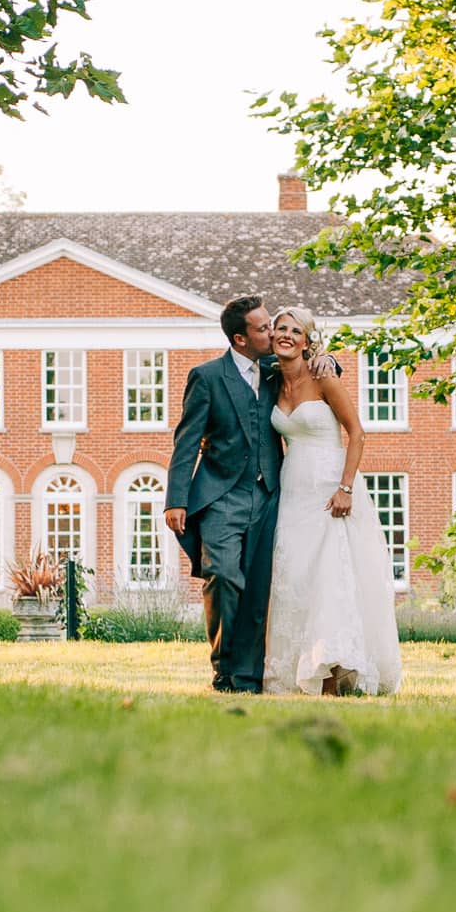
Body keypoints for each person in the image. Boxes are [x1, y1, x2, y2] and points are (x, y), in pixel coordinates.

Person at [260, 307, 403, 696]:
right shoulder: (271, 379)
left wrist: (346, 488)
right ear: (272, 336)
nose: (286, 335)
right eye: (280, 329)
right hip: (293, 491)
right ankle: (301, 668)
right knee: (296, 577)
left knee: (332, 577)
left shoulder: (324, 376)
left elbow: (357, 433)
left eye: (296, 331)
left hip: (330, 487)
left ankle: (333, 675)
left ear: (308, 341)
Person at [165, 295, 283, 693]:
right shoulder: (208, 376)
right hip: (221, 496)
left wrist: (326, 361)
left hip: (269, 495)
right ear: (240, 338)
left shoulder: (275, 370)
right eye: (263, 328)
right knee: (223, 577)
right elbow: (187, 439)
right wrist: (176, 498)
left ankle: (247, 677)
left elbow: (321, 374)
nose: (272, 332)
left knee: (259, 587)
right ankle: (223, 667)